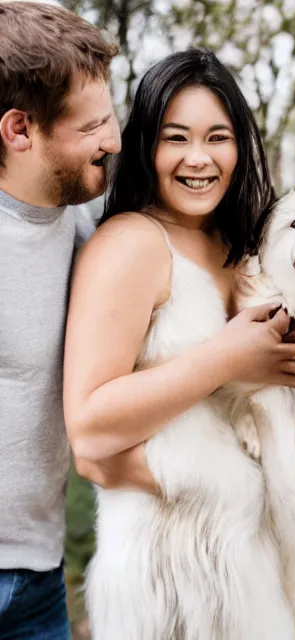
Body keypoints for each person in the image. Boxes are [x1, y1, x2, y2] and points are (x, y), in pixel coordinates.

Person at [63, 49, 295, 633]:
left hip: (256, 567)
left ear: (240, 146)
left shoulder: (245, 251)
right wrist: (226, 355)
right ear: (146, 144)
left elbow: (245, 429)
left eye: (217, 137)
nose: (199, 158)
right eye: (177, 137)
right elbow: (91, 430)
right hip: (172, 579)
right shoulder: (131, 244)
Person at [0, 2, 120, 637]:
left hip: (42, 583)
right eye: (93, 125)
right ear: (20, 129)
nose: (115, 139)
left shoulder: (85, 227)